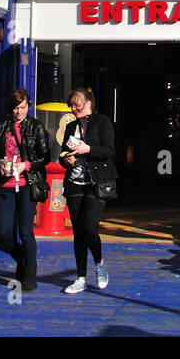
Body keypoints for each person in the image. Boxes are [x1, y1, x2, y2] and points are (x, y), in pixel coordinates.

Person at [0, 88, 51, 292]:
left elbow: (45, 156)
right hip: (6, 184)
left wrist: (27, 165)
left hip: (27, 184)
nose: (19, 112)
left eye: (23, 107)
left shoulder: (36, 127)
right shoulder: (2, 127)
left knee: (26, 231)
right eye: (16, 108)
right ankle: (21, 257)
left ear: (28, 106)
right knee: (3, 232)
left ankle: (29, 277)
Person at [58, 87, 116, 293]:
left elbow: (109, 151)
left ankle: (99, 263)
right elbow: (62, 153)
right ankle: (80, 277)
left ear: (89, 103)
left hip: (96, 182)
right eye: (71, 106)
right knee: (78, 232)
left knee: (89, 228)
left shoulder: (102, 122)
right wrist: (67, 159)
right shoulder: (71, 126)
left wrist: (87, 149)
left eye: (77, 105)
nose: (74, 109)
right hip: (74, 182)